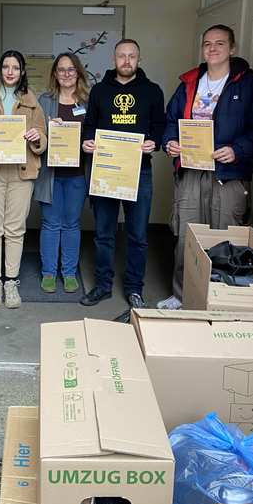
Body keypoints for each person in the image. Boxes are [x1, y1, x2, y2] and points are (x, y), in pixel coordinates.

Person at [159, 24, 253, 310]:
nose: (212, 48)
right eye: (207, 43)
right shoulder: (189, 83)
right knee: (187, 234)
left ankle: (223, 298)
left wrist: (237, 150)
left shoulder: (250, 86)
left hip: (228, 176)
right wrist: (170, 141)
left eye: (219, 43)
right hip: (191, 171)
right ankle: (182, 295)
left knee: (226, 234)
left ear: (232, 49)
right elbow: (170, 120)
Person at [81, 38, 166, 307]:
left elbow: (160, 125)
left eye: (132, 56)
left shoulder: (152, 91)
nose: (126, 60)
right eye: (121, 56)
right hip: (106, 170)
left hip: (139, 172)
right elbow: (89, 126)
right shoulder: (98, 91)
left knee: (137, 235)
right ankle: (103, 286)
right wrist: (87, 142)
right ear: (113, 59)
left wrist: (155, 140)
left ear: (139, 59)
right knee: (104, 233)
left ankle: (134, 288)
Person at [0, 50, 47, 308]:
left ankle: (11, 282)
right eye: (5, 66)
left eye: (15, 67)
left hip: (20, 170)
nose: (10, 71)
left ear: (22, 71)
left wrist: (35, 136)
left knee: (15, 229)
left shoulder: (31, 100)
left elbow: (42, 134)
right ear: (0, 69)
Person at [34, 53, 90, 293]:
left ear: (78, 72)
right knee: (50, 224)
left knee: (71, 224)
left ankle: (68, 272)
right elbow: (34, 134)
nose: (66, 74)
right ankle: (48, 272)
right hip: (51, 174)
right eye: (61, 70)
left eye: (71, 69)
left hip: (77, 174)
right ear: (55, 74)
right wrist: (48, 131)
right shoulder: (44, 100)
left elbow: (95, 133)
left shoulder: (88, 101)